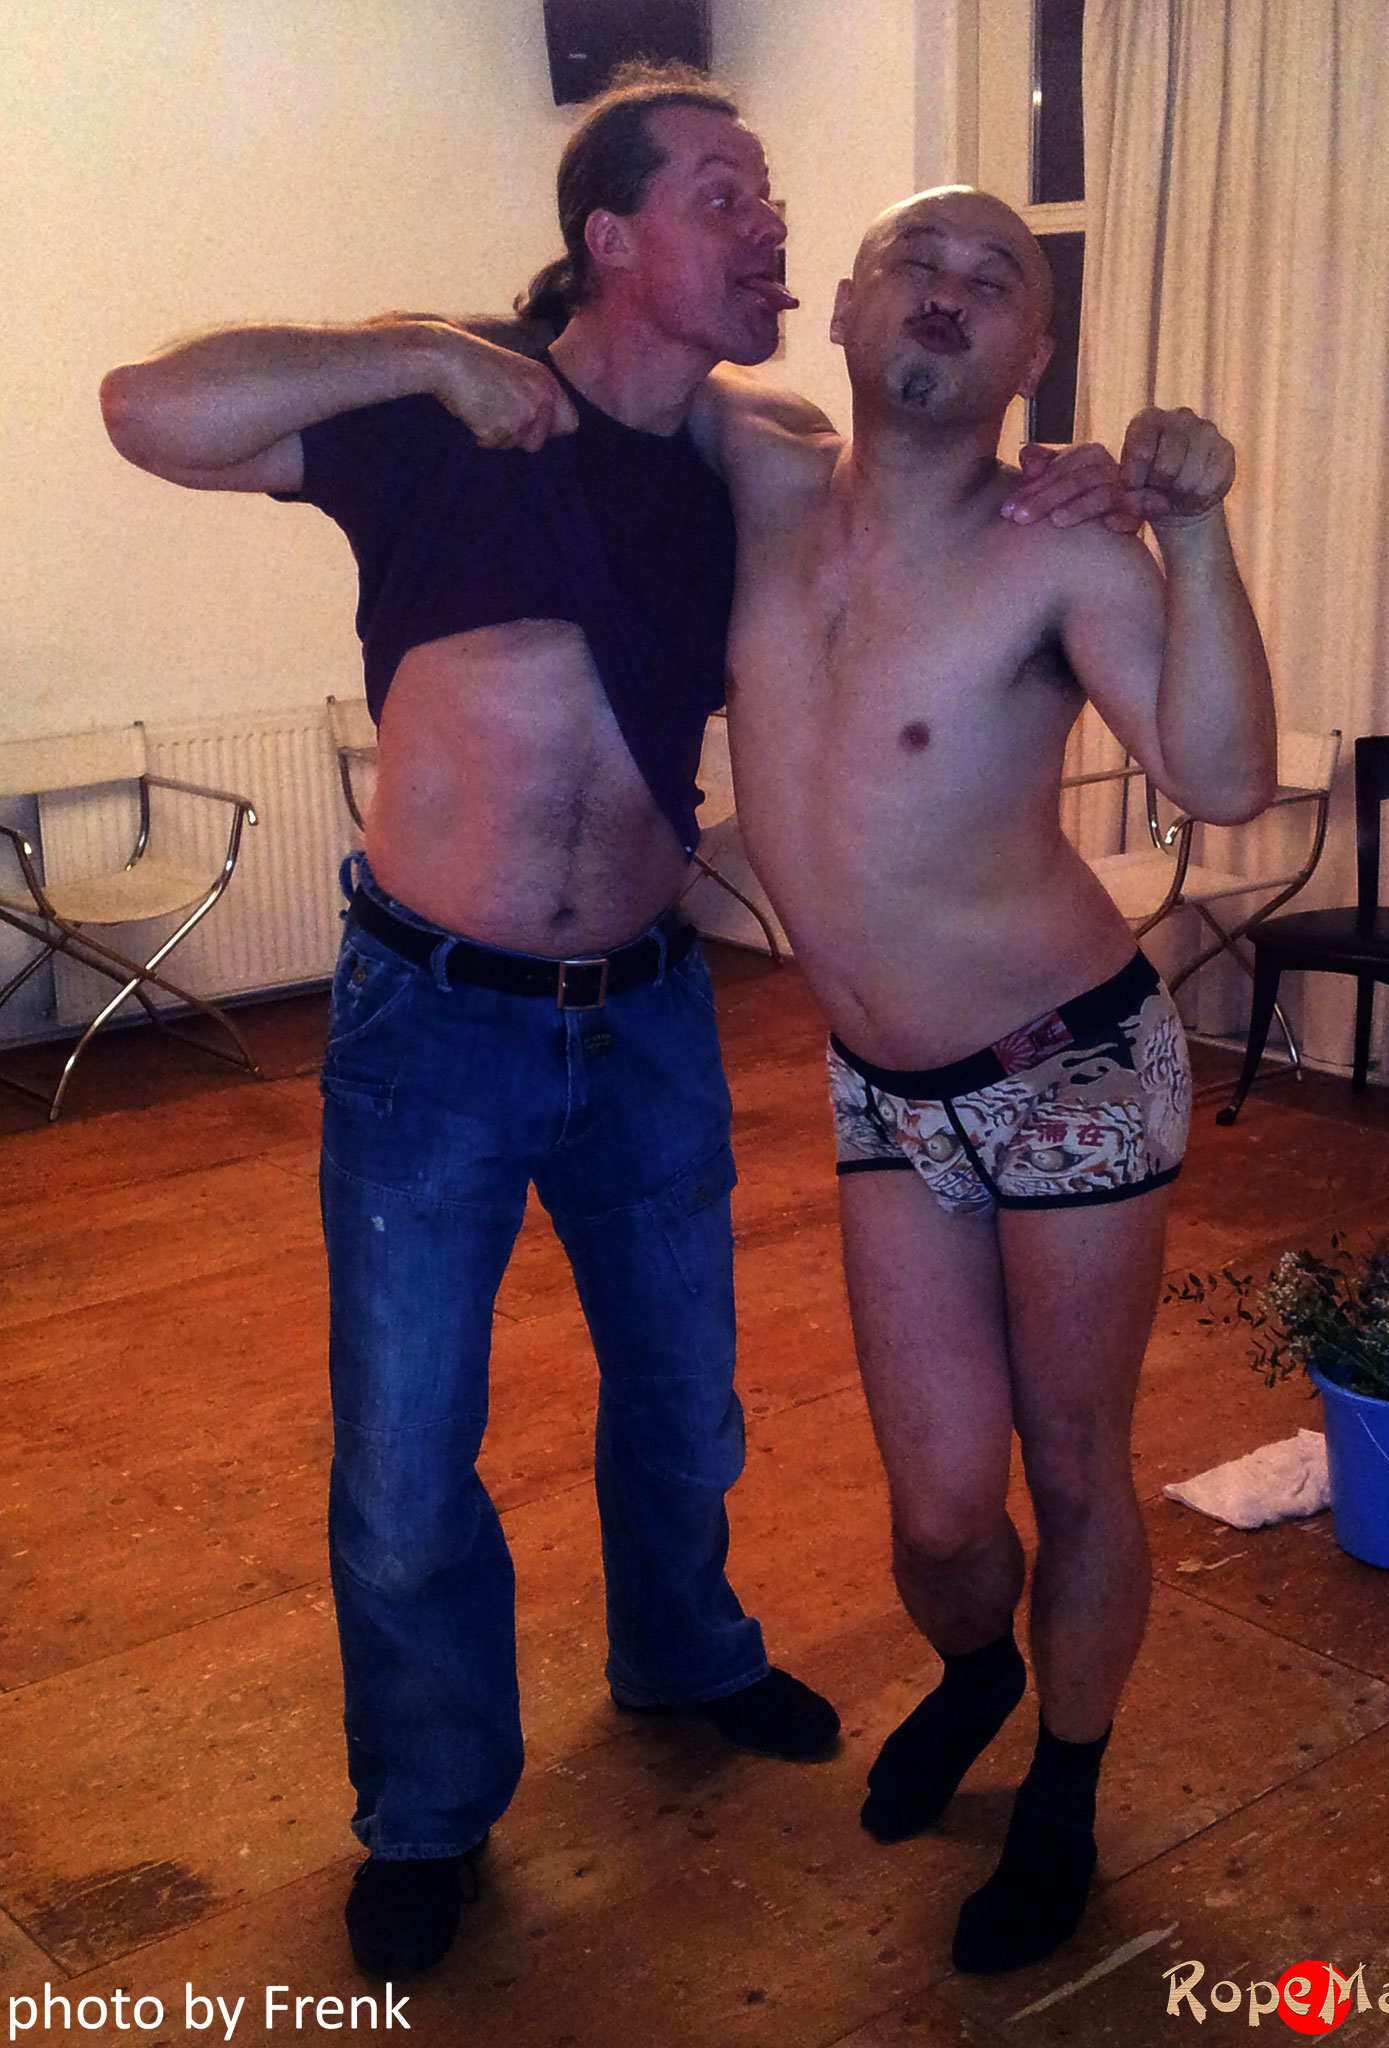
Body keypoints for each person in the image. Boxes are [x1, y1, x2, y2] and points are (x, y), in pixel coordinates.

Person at [97, 67, 843, 1984]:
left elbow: (892, 513)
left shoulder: (745, 469)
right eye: (725, 192)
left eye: (770, 193)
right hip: (433, 1022)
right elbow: (147, 410)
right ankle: (429, 1808)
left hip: (654, 1012)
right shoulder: (447, 422)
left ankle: (685, 1655)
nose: (770, 222)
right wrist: (423, 347)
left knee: (686, 1397)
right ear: (609, 235)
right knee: (411, 1453)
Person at [693, 186, 1276, 1974]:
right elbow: (593, 351)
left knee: (1075, 1465)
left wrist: (1198, 533)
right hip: (885, 1090)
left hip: (1068, 1068)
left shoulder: (1064, 553)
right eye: (915, 265)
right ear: (844, 306)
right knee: (943, 1518)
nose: (947, 293)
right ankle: (976, 1672)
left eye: (993, 279)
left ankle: (1065, 1798)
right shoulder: (757, 476)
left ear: (1035, 348)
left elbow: (1223, 778)